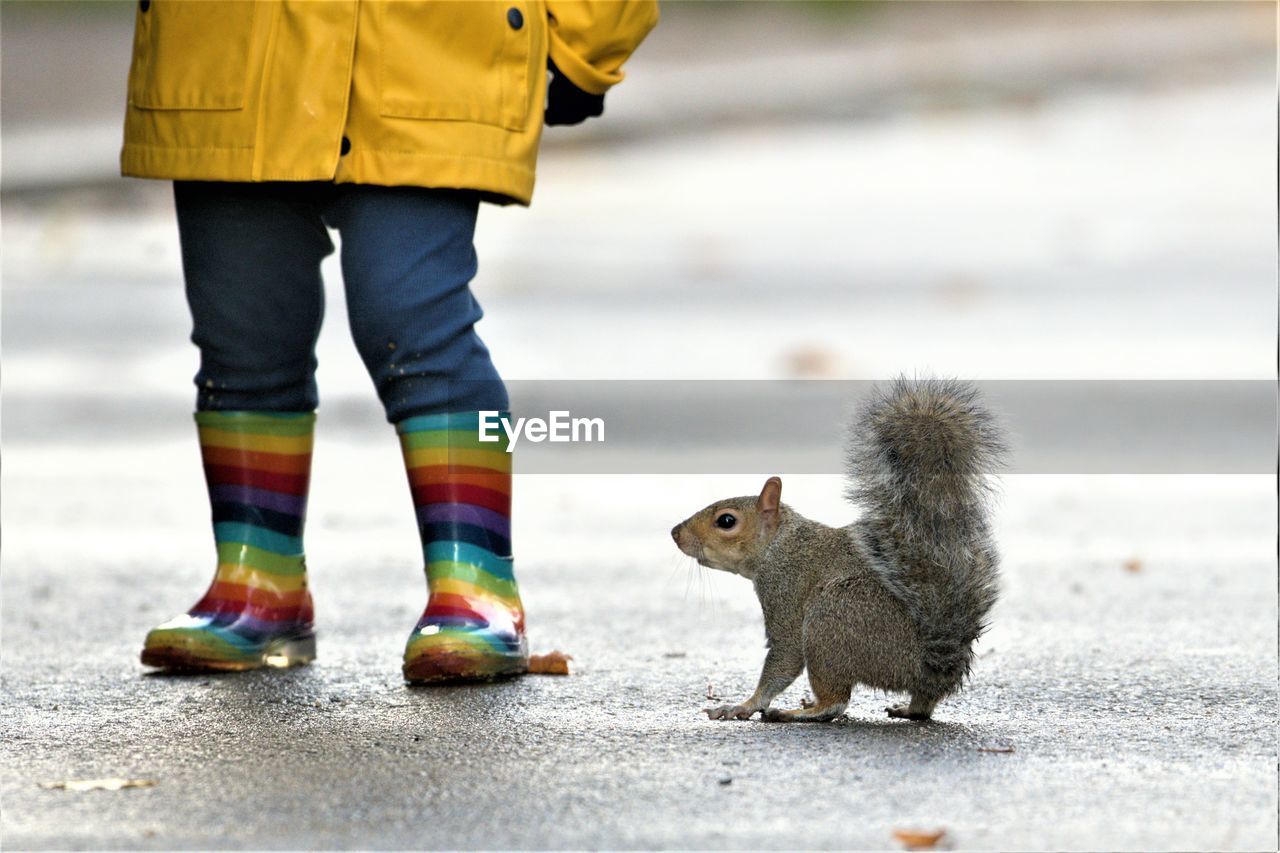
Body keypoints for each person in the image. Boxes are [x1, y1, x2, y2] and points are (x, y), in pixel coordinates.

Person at [120, 0, 658, 683]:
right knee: (241, 332)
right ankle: (258, 577)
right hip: (223, 54)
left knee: (414, 324)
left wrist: (590, 36)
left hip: (426, 56)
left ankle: (477, 581)